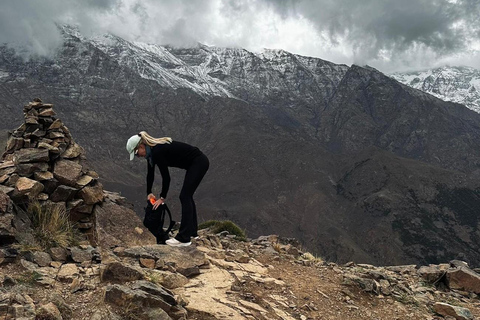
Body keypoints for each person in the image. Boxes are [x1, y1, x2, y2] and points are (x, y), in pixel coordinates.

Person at [126, 131, 209, 247]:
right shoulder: (152, 154)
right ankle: (192, 233)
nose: (138, 156)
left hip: (198, 162)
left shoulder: (157, 151)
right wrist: (149, 192)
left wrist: (162, 198)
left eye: (136, 153)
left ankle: (184, 238)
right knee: (187, 196)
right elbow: (150, 174)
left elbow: (166, 177)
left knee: (184, 196)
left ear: (141, 146)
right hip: (196, 163)